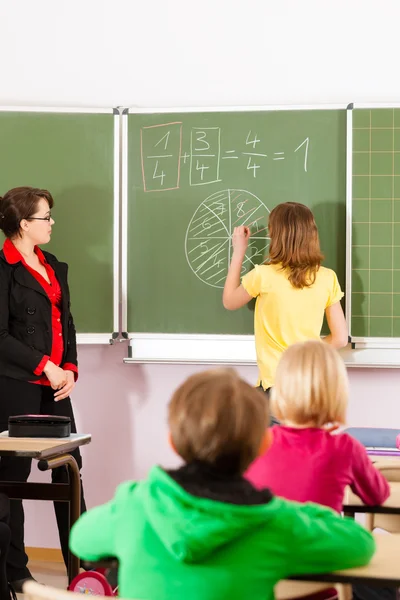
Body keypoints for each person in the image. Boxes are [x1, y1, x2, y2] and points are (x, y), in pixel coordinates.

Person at [70, 368, 374, 600]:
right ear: (263, 445)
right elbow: (360, 545)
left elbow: (81, 540)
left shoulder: (136, 504)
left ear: (172, 442)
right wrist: (295, 509)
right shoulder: (277, 523)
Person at [245, 340, 391, 600]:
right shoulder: (345, 447)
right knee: (379, 581)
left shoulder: (256, 443)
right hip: (321, 583)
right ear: (337, 392)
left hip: (262, 579)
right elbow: (377, 497)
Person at [0, 186, 86, 591]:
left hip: (56, 387)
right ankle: (15, 572)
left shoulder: (53, 265)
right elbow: (0, 336)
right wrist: (44, 366)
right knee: (10, 480)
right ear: (23, 225)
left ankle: (82, 573)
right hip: (16, 386)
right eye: (45, 217)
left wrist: (68, 367)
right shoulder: (2, 268)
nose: (51, 223)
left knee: (69, 475)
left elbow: (65, 323)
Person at [222, 202, 348, 420]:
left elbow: (229, 301)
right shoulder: (327, 278)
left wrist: (239, 251)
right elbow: (340, 338)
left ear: (275, 236)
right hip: (309, 385)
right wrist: (304, 353)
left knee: (272, 451)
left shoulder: (263, 275)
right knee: (305, 449)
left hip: (275, 386)